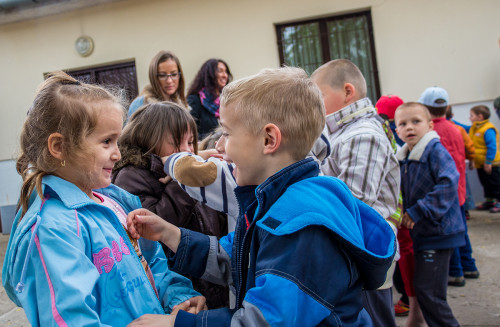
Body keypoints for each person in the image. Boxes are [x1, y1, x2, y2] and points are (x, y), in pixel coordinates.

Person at [126, 67, 396, 326]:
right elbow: (235, 257)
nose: (218, 146)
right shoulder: (273, 202)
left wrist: (178, 324)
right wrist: (169, 234)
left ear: (269, 139)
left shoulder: (300, 226)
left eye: (227, 133)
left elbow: (264, 321)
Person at [2, 72, 205, 326]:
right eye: (106, 142)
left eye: (117, 140)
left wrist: (179, 297)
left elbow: (152, 263)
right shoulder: (52, 230)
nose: (118, 154)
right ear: (59, 147)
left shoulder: (116, 202)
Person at [112, 102, 229, 309]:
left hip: (210, 279)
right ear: (148, 139)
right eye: (177, 143)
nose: (186, 150)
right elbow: (152, 228)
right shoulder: (131, 176)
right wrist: (182, 180)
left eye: (191, 142)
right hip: (179, 290)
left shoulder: (191, 168)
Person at [311, 59, 400, 327]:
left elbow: (354, 202)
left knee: (373, 316)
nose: (316, 105)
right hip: (353, 249)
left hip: (364, 252)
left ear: (348, 92)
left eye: (320, 96)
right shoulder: (341, 132)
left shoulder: (362, 135)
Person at [395, 102, 465, 327]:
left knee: (429, 292)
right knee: (426, 290)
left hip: (439, 232)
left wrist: (417, 211)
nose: (410, 127)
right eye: (403, 124)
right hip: (425, 234)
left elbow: (448, 182)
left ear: (430, 125)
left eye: (416, 121)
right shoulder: (406, 156)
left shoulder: (434, 150)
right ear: (396, 130)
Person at [418, 87, 479, 287]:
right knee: (461, 230)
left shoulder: (430, 132)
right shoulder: (457, 128)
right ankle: (469, 266)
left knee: (447, 235)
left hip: (443, 195)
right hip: (459, 190)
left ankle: (455, 272)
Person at [455, 105, 500, 214]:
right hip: (480, 164)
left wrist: (488, 162)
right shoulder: (475, 128)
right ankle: (490, 201)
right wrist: (451, 121)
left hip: (491, 164)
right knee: (486, 183)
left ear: (480, 116)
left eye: (471, 115)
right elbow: (464, 128)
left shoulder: (488, 129)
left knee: (495, 184)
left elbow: (492, 147)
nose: (470, 118)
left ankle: (498, 201)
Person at [128, 50, 188, 117]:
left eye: (174, 74)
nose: (169, 80)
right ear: (154, 77)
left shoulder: (181, 104)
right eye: (162, 75)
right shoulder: (141, 104)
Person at [187, 58, 232, 139]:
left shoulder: (226, 102)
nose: (225, 75)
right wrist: (213, 138)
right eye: (220, 71)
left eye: (226, 72)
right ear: (209, 74)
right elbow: (191, 134)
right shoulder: (194, 100)